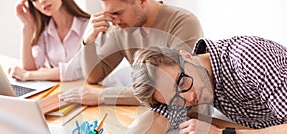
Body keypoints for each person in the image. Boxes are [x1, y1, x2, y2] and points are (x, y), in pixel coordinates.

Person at [131, 36, 287, 134]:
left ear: (186, 56)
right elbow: (157, 119)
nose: (189, 98)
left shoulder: (249, 58)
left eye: (182, 83)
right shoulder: (195, 79)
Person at [58, 0, 203, 105]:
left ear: (142, 1)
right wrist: (88, 41)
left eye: (116, 13)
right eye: (109, 15)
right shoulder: (122, 29)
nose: (113, 22)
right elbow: (93, 76)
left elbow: (169, 90)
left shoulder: (184, 23)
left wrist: (102, 96)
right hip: (148, 112)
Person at [9, 0, 101, 82]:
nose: (41, 1)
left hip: (90, 92)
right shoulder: (45, 32)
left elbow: (78, 68)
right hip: (61, 93)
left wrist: (28, 75)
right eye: (34, 0)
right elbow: (29, 68)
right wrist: (27, 26)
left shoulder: (91, 27)